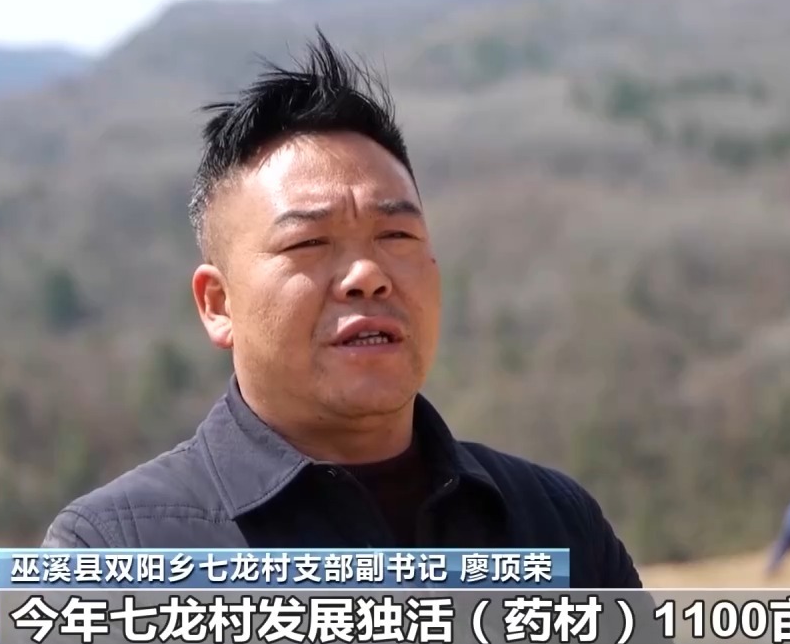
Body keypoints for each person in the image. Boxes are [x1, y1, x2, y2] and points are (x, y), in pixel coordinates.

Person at [41, 30, 642, 588]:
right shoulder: (112, 553)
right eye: (309, 242)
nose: (367, 276)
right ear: (218, 304)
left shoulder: (556, 525)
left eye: (396, 236)